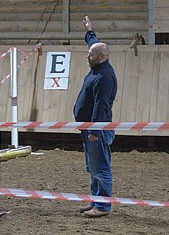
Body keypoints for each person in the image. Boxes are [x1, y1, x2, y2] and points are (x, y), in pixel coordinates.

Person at [73, 16, 118, 218]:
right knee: (93, 169)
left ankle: (103, 207)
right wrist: (90, 30)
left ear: (99, 57)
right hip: (89, 128)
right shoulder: (98, 62)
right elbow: (94, 44)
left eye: (90, 55)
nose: (87, 56)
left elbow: (101, 107)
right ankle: (95, 201)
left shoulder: (103, 77)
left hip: (96, 130)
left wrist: (94, 129)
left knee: (101, 169)